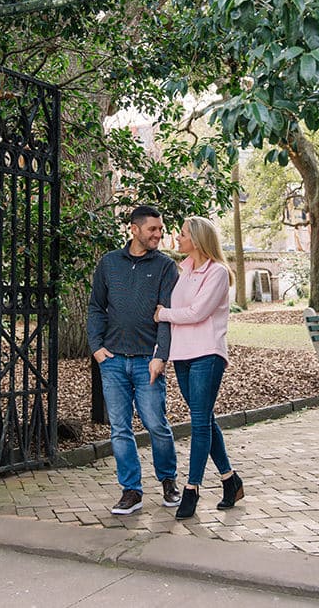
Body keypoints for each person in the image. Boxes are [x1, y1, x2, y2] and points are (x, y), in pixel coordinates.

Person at [87, 204, 180, 515]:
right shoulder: (109, 263)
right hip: (112, 360)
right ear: (134, 229)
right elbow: (96, 307)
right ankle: (131, 491)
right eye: (153, 229)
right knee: (120, 428)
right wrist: (96, 347)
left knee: (156, 424)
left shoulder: (165, 266)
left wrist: (161, 356)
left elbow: (166, 315)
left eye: (160, 229)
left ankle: (168, 481)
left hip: (147, 361)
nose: (158, 234)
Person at [155, 215, 244, 520]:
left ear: (197, 239)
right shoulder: (185, 271)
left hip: (207, 353)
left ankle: (192, 488)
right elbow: (181, 311)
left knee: (199, 422)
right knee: (203, 418)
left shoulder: (217, 272)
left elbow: (197, 312)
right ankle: (230, 480)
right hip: (182, 355)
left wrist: (164, 314)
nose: (177, 238)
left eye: (182, 233)